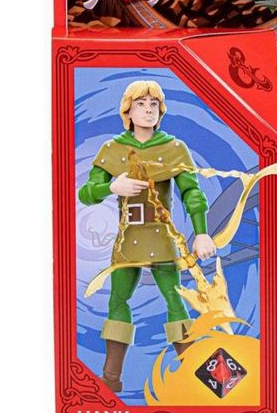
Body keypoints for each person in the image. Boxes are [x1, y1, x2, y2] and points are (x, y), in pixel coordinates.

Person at [78, 80, 216, 392]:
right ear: (128, 110)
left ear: (161, 110)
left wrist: (201, 233)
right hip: (128, 238)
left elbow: (192, 193)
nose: (148, 110)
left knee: (175, 299)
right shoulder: (112, 149)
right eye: (141, 104)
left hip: (161, 236)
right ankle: (110, 379)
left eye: (154, 104)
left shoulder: (174, 148)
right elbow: (86, 193)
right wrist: (111, 187)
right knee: (118, 300)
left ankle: (196, 374)